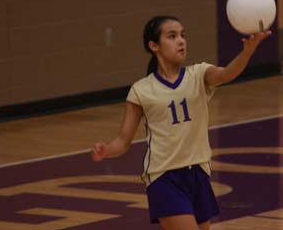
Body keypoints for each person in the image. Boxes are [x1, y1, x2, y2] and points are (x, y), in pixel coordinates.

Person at [91, 16, 272, 230]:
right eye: (172, 36)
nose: (181, 41)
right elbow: (123, 141)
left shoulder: (199, 74)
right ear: (154, 46)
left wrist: (248, 51)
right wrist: (106, 150)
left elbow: (226, 73)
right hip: (164, 178)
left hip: (197, 173)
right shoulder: (141, 90)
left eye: (183, 35)